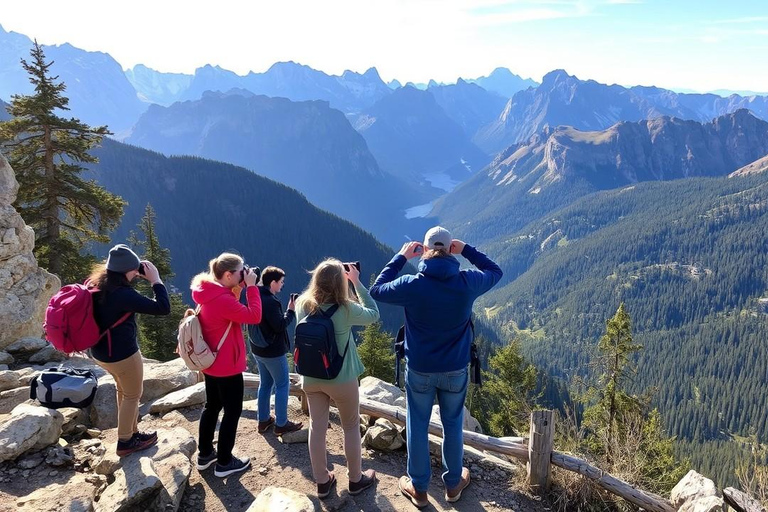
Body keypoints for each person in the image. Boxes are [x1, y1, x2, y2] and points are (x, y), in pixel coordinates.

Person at [370, 226, 503, 508]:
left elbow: (377, 289)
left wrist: (401, 257)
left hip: (419, 368)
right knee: (453, 425)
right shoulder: (467, 282)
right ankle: (453, 484)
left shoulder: (412, 284)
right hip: (455, 368)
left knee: (417, 424)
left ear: (427, 250)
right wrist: (466, 249)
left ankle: (418, 489)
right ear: (449, 249)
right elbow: (495, 271)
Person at [296, 259, 379, 498]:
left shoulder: (303, 304)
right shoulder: (345, 309)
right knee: (351, 426)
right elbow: (373, 314)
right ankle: (355, 480)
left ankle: (322, 482)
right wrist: (356, 282)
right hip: (341, 378)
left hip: (311, 377)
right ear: (340, 283)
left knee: (317, 427)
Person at [91, 243, 171, 456]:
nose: (137, 273)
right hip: (122, 354)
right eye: (134, 270)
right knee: (133, 394)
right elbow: (163, 308)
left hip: (100, 353)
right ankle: (126, 441)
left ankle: (131, 432)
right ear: (125, 271)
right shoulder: (123, 295)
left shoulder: (98, 284)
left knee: (124, 391)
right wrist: (155, 281)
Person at [191, 252, 262, 478]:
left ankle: (205, 454)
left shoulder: (209, 292)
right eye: (242, 271)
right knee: (232, 411)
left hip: (210, 363)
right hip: (227, 366)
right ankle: (224, 462)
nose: (246, 273)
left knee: (212, 406)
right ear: (229, 275)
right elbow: (254, 316)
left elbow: (231, 309)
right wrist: (252, 287)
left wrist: (240, 286)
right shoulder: (222, 300)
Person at [250, 266, 302, 435]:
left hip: (257, 349)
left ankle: (263, 420)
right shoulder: (271, 301)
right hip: (273, 352)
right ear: (272, 282)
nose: (282, 285)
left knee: (265, 384)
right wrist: (291, 311)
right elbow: (279, 326)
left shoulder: (255, 294)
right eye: (281, 282)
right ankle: (281, 423)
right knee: (282, 384)